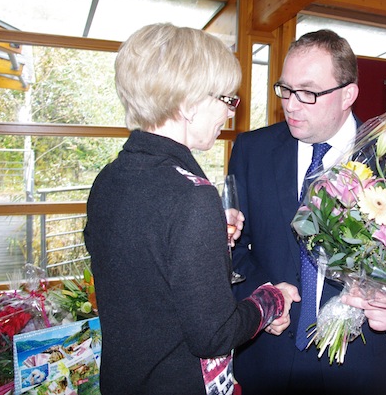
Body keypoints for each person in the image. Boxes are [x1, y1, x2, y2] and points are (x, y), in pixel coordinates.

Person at [83, 23, 299, 395]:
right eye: (226, 100)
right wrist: (273, 298)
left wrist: (209, 236)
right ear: (187, 103)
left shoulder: (109, 179)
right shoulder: (191, 196)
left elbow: (146, 270)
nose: (230, 115)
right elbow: (214, 335)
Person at [228, 29, 386, 395]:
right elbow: (233, 250)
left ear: (347, 95)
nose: (290, 104)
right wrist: (266, 298)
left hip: (360, 362)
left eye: (308, 92)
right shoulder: (251, 149)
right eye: (285, 89)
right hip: (266, 356)